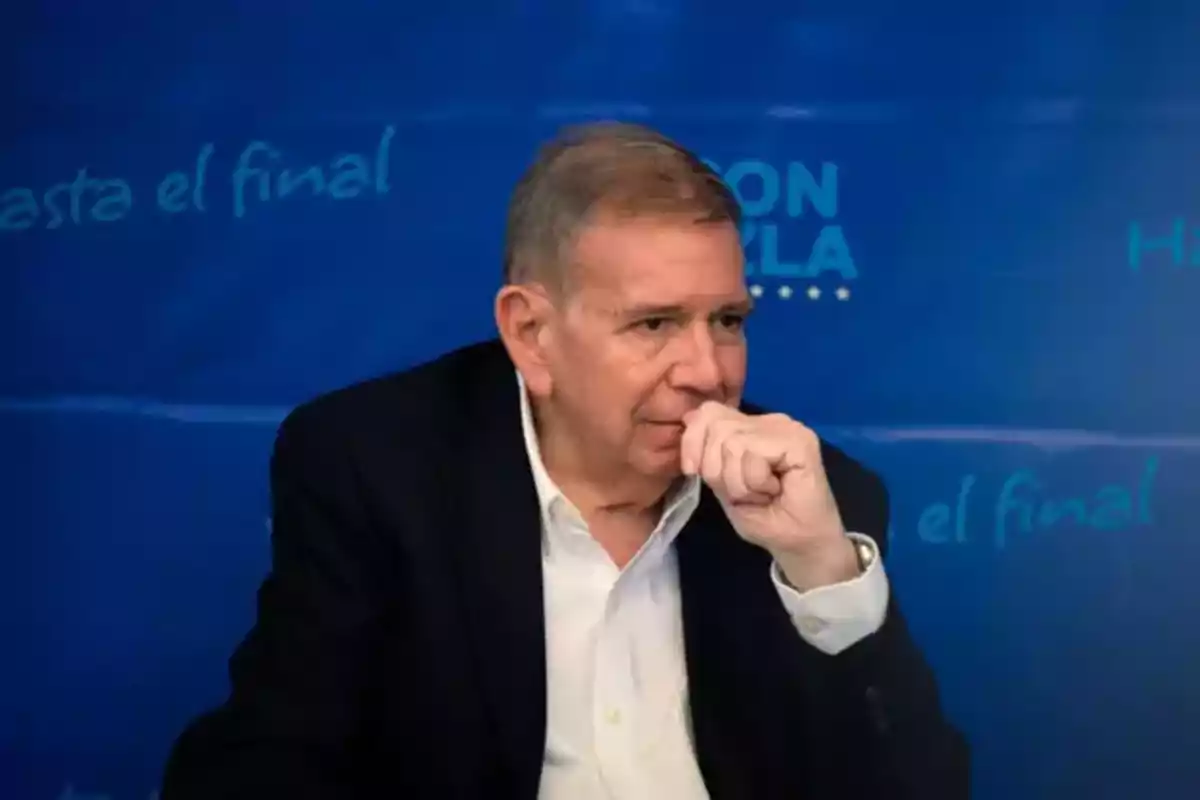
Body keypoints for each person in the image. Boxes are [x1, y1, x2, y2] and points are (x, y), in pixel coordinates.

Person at [161, 121, 969, 799]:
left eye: (727, 319)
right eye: (654, 324)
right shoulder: (377, 466)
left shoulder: (815, 497)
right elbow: (268, 760)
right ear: (531, 335)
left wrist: (823, 576)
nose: (708, 371)